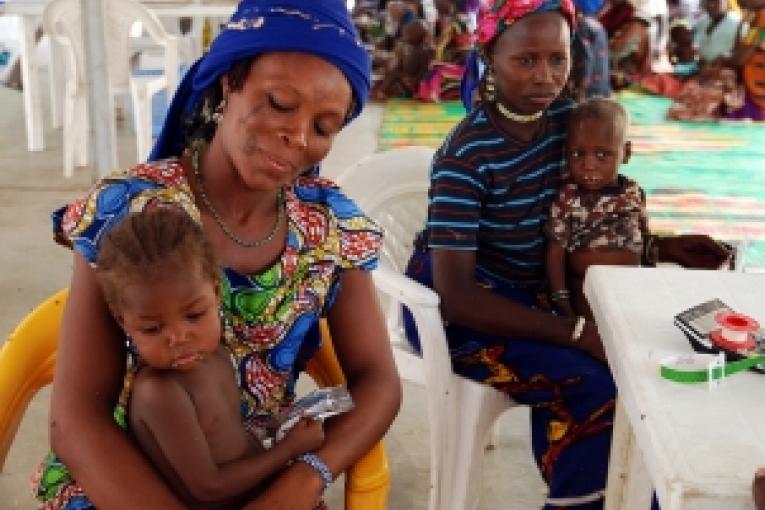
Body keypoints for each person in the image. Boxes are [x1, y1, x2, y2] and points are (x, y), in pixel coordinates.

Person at [33, 1, 402, 509]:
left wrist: (306, 477)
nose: (297, 135)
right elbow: (77, 419)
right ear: (228, 83)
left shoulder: (329, 227)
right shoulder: (128, 210)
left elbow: (378, 379)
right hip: (125, 478)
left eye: (323, 127)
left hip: (260, 476)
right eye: (278, 102)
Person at [404, 0, 731, 508]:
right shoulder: (466, 155)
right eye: (526, 60)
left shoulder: (565, 123)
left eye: (557, 59)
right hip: (463, 308)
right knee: (600, 383)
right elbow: (456, 295)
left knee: (650, 356)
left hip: (537, 284)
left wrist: (659, 245)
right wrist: (575, 332)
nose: (545, 76)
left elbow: (590, 212)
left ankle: (611, 494)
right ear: (491, 56)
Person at [91, 208, 326, 509]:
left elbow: (230, 437)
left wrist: (279, 431)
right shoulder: (160, 393)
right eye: (152, 328)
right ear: (123, 322)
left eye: (194, 315)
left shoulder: (214, 354)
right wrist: (288, 450)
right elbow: (208, 487)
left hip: (255, 488)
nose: (178, 337)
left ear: (216, 293)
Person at [546, 98, 648, 319]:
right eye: (577, 154)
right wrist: (561, 299)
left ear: (626, 153)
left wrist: (649, 270)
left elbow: (644, 233)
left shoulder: (633, 192)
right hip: (584, 292)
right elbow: (556, 251)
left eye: (602, 154)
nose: (588, 165)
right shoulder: (569, 197)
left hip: (630, 288)